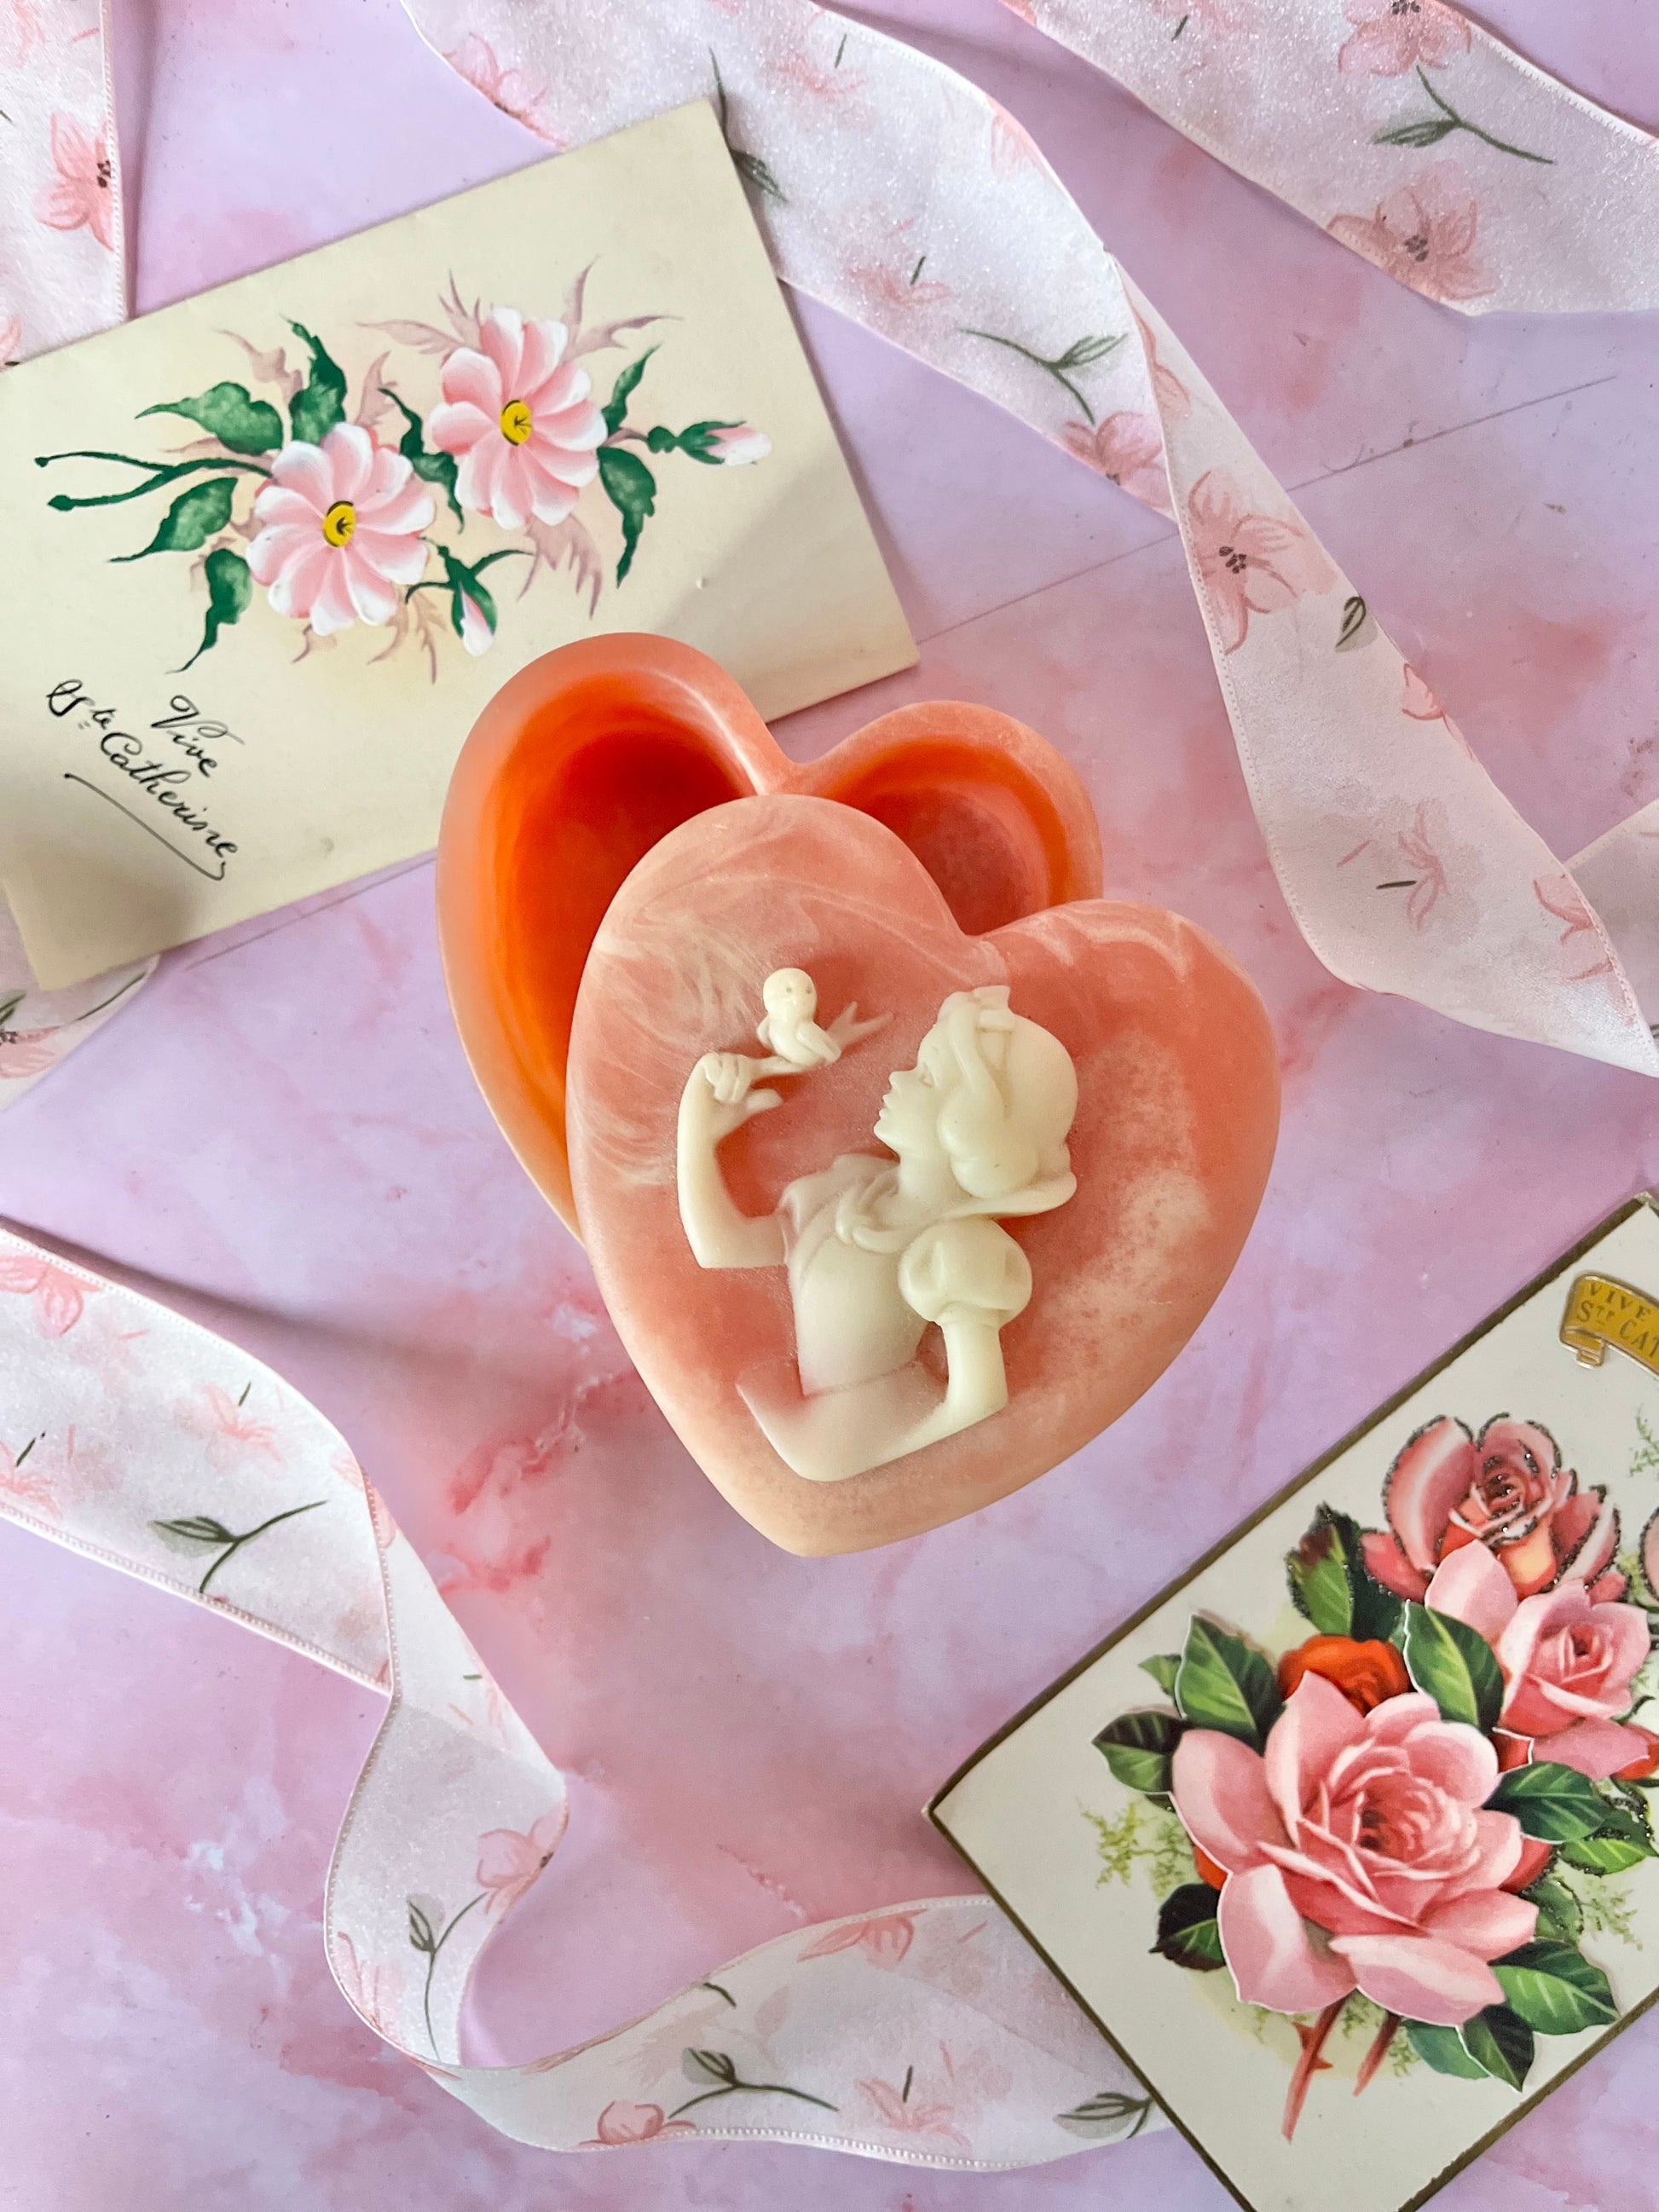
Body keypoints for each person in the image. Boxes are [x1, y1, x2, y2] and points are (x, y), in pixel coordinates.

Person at [676, 973, 1078, 1481]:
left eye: (926, 1077)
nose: (898, 1079)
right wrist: (697, 1131)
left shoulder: (955, 1246)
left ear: (973, 1124)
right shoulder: (850, 1188)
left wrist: (873, 1449)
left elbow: (979, 1399)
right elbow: (721, 1247)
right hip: (807, 1425)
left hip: (853, 1433)